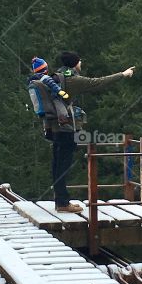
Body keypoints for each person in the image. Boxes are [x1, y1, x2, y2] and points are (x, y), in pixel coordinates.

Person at [46, 50, 135, 212]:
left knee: (57, 164)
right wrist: (123, 74)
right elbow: (98, 82)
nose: (81, 64)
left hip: (54, 127)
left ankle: (59, 199)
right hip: (67, 128)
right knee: (63, 165)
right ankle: (63, 203)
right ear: (74, 63)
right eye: (80, 61)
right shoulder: (73, 79)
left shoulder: (56, 76)